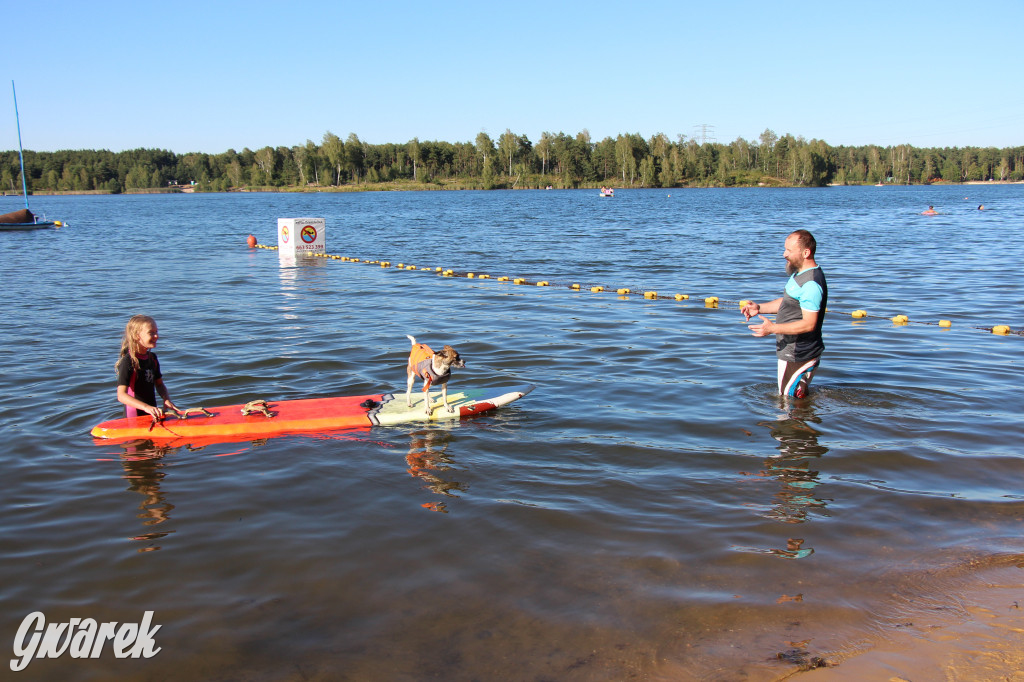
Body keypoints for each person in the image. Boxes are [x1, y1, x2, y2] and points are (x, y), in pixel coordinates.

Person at [741, 230, 827, 399]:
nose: (784, 254)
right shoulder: (800, 275)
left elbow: (809, 324)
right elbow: (788, 301)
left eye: (789, 250)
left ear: (806, 253)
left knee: (786, 402)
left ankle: (797, 423)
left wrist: (773, 328)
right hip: (797, 352)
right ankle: (806, 418)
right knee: (797, 399)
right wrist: (759, 308)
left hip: (798, 354)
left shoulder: (811, 284)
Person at [115, 314, 179, 419]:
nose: (156, 336)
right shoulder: (128, 361)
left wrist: (166, 399)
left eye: (156, 332)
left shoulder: (152, 358)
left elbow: (159, 385)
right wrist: (146, 407)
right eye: (151, 333)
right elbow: (121, 395)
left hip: (151, 413)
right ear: (137, 336)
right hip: (134, 417)